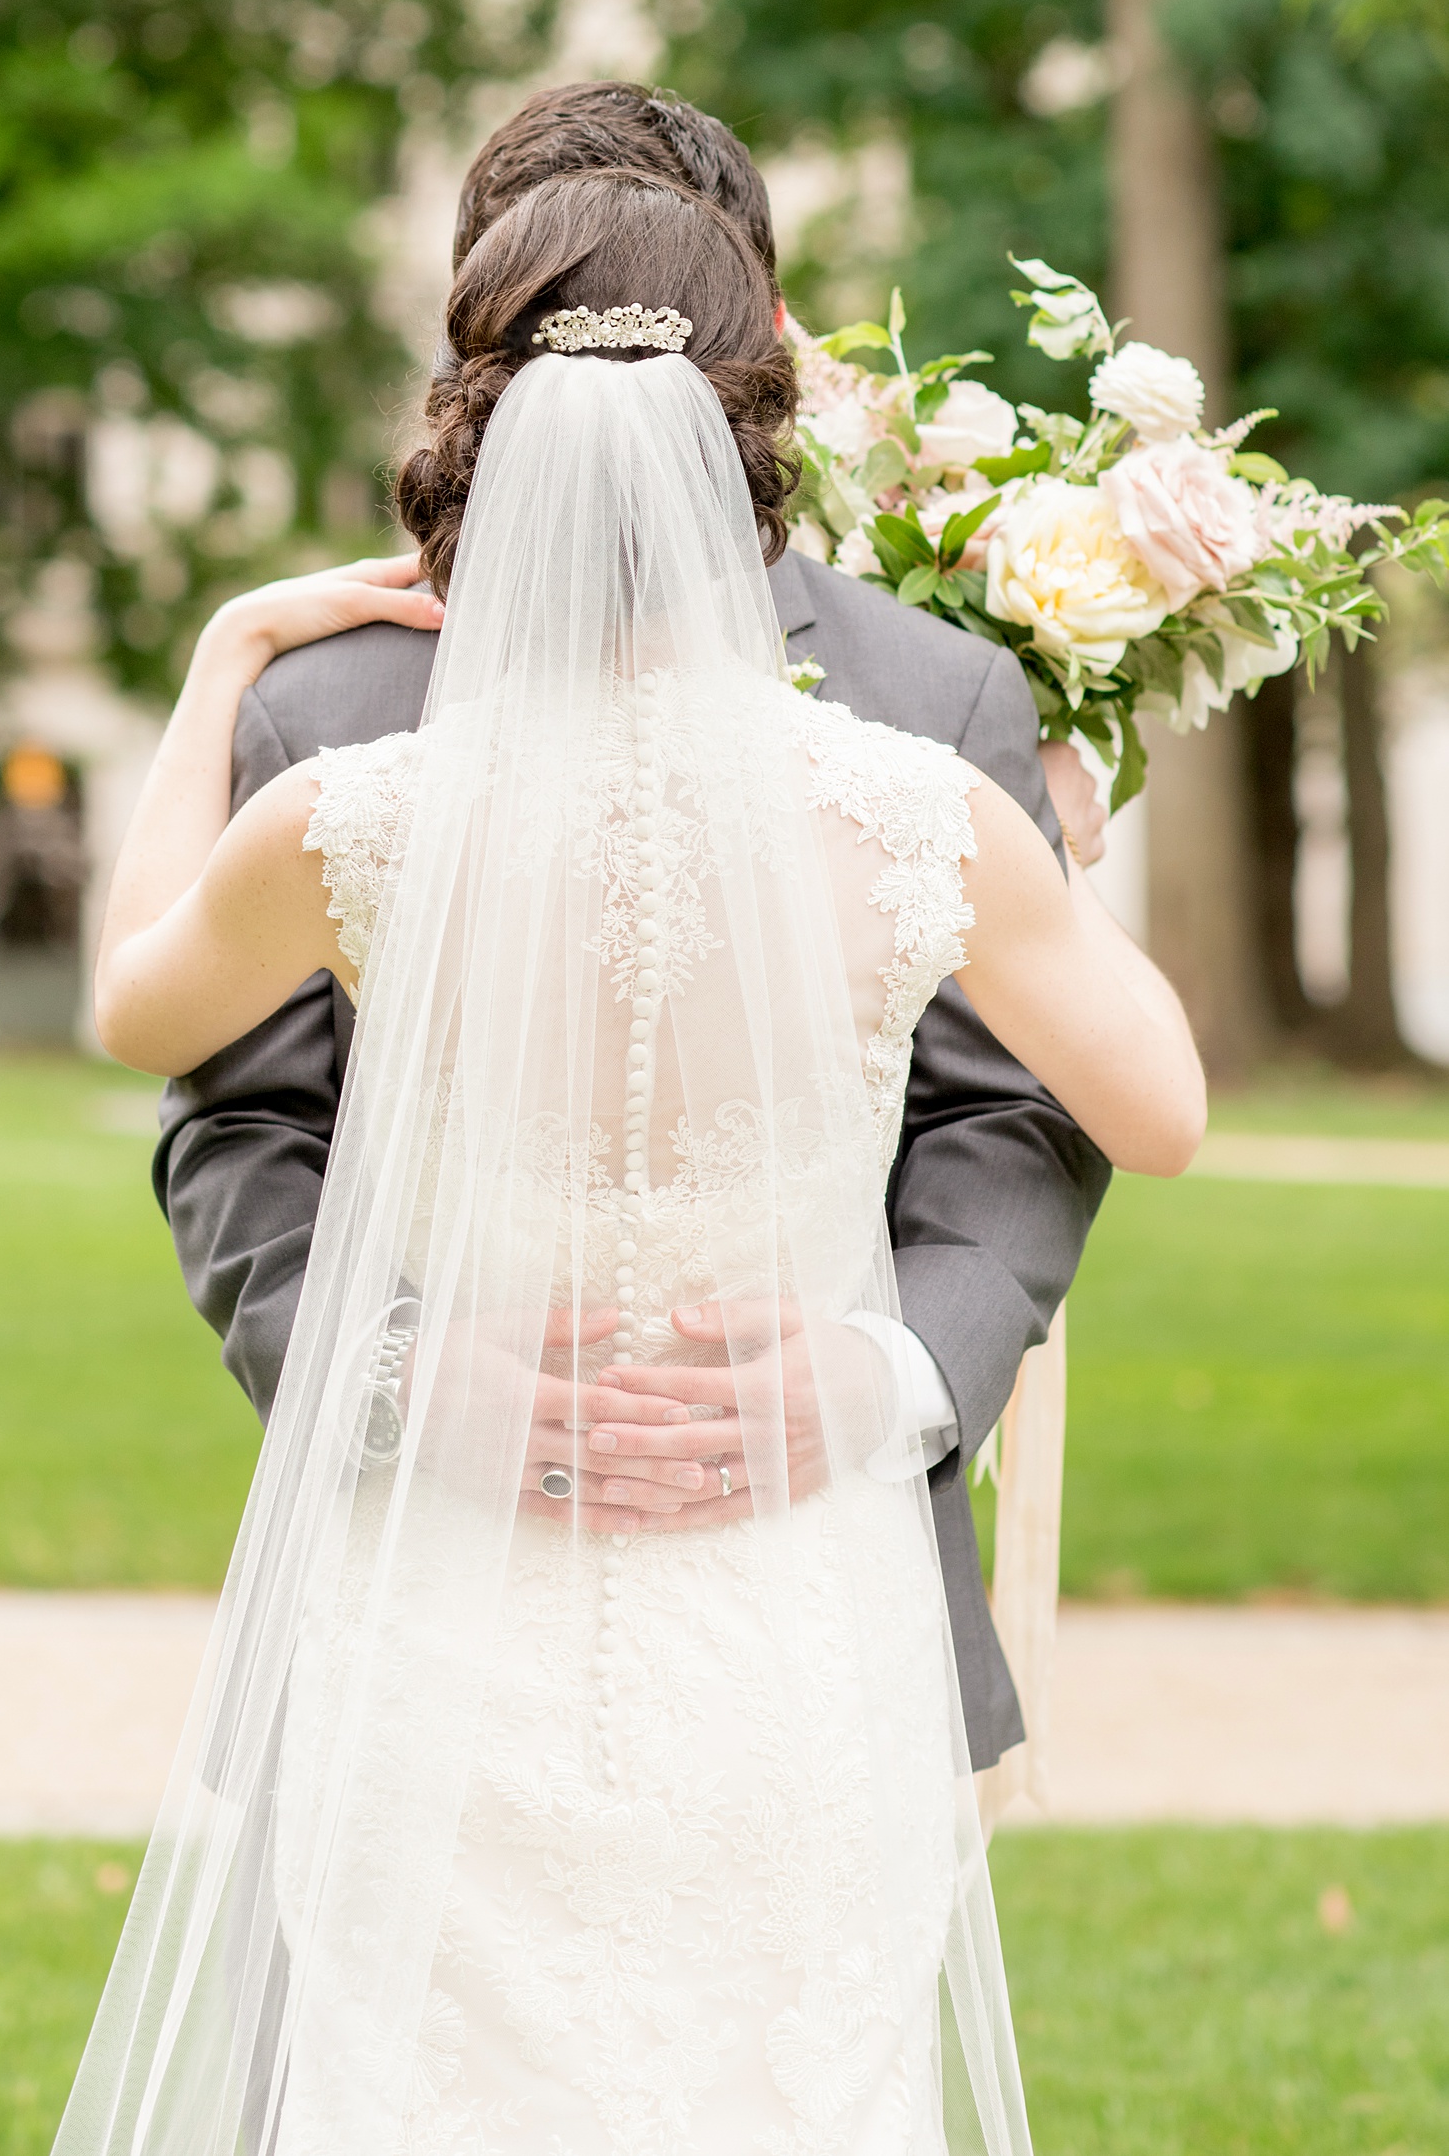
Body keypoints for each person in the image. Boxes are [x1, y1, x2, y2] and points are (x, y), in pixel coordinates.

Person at [61, 169, 1202, 2156]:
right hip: (780, 1604)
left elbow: (136, 1014)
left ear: (474, 453)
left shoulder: (353, 819)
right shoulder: (913, 812)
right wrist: (1050, 870)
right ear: (761, 445)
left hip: (453, 1602)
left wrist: (222, 664)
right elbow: (1159, 1109)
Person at [154, 80, 1111, 1781]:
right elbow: (241, 1120)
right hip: (426, 1601)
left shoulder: (938, 694)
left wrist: (885, 1376)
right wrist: (393, 1383)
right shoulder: (332, 704)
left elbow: (1017, 1109)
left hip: (822, 1599)